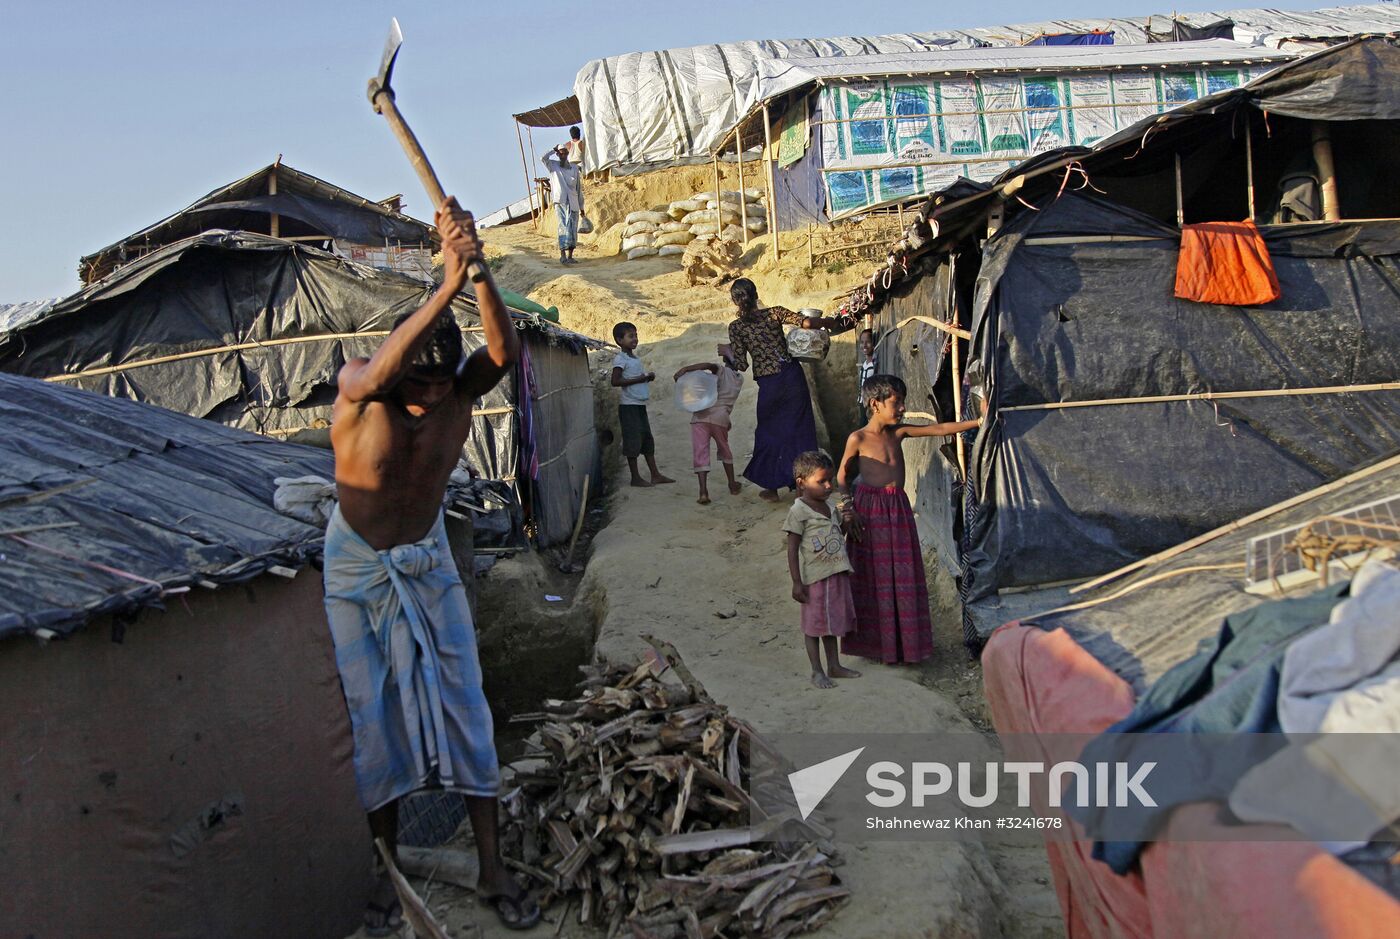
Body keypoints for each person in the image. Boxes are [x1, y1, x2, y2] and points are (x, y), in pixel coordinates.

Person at [322, 197, 540, 933]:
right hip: (358, 569)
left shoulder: (457, 388)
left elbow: (505, 355)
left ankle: (490, 866)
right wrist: (444, 282)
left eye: (442, 384)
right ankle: (386, 874)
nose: (430, 398)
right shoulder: (361, 390)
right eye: (417, 386)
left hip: (426, 557)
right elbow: (377, 368)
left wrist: (477, 275)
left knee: (467, 707)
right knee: (373, 719)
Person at [837, 374, 981, 665]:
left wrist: (978, 423)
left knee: (901, 576)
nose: (902, 408)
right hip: (870, 510)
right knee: (875, 576)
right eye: (897, 402)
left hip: (897, 509)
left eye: (902, 401)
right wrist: (847, 507)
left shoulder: (898, 433)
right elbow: (843, 474)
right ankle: (880, 646)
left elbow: (938, 428)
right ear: (875, 404)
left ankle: (903, 645)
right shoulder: (859, 438)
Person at [725, 278, 850, 502]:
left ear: (735, 301)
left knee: (768, 432)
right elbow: (807, 324)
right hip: (791, 376)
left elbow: (741, 365)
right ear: (756, 295)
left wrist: (727, 351)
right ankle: (805, 486)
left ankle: (772, 488)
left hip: (769, 384)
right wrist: (828, 322)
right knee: (800, 428)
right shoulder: (775, 313)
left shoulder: (736, 328)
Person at [784, 450, 863, 689]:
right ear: (801, 483)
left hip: (836, 574)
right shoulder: (799, 511)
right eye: (821, 481)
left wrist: (847, 522)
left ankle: (834, 665)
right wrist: (797, 582)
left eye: (830, 480)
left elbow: (838, 537)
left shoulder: (830, 507)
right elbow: (792, 548)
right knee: (813, 626)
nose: (829, 486)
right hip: (815, 579)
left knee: (829, 623)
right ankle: (817, 671)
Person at [674, 343, 744, 505]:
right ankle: (732, 485)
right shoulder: (739, 379)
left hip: (701, 416)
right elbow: (725, 400)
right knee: (725, 449)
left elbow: (708, 366)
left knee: (700, 452)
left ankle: (703, 492)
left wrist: (685, 369)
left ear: (725, 358)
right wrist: (727, 418)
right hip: (721, 418)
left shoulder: (721, 370)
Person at [611, 320, 675, 488]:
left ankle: (655, 474)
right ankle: (635, 477)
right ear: (619, 340)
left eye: (636, 335)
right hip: (628, 406)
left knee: (647, 439)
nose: (635, 339)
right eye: (630, 336)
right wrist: (641, 378)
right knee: (632, 441)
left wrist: (646, 378)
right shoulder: (620, 358)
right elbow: (615, 381)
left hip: (638, 405)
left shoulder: (633, 358)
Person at [542, 144, 583, 265]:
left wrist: (582, 207)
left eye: (565, 153)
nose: (563, 155)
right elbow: (543, 158)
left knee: (572, 229)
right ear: (558, 154)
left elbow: (578, 189)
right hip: (560, 202)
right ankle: (563, 255)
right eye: (561, 153)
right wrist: (553, 149)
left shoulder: (574, 168)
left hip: (573, 202)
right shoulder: (553, 166)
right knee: (563, 228)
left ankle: (570, 256)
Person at [856, 328, 876, 418]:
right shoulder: (865, 364)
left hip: (870, 405)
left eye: (868, 342)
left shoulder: (875, 364)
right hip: (862, 403)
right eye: (862, 342)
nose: (864, 345)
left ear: (873, 343)